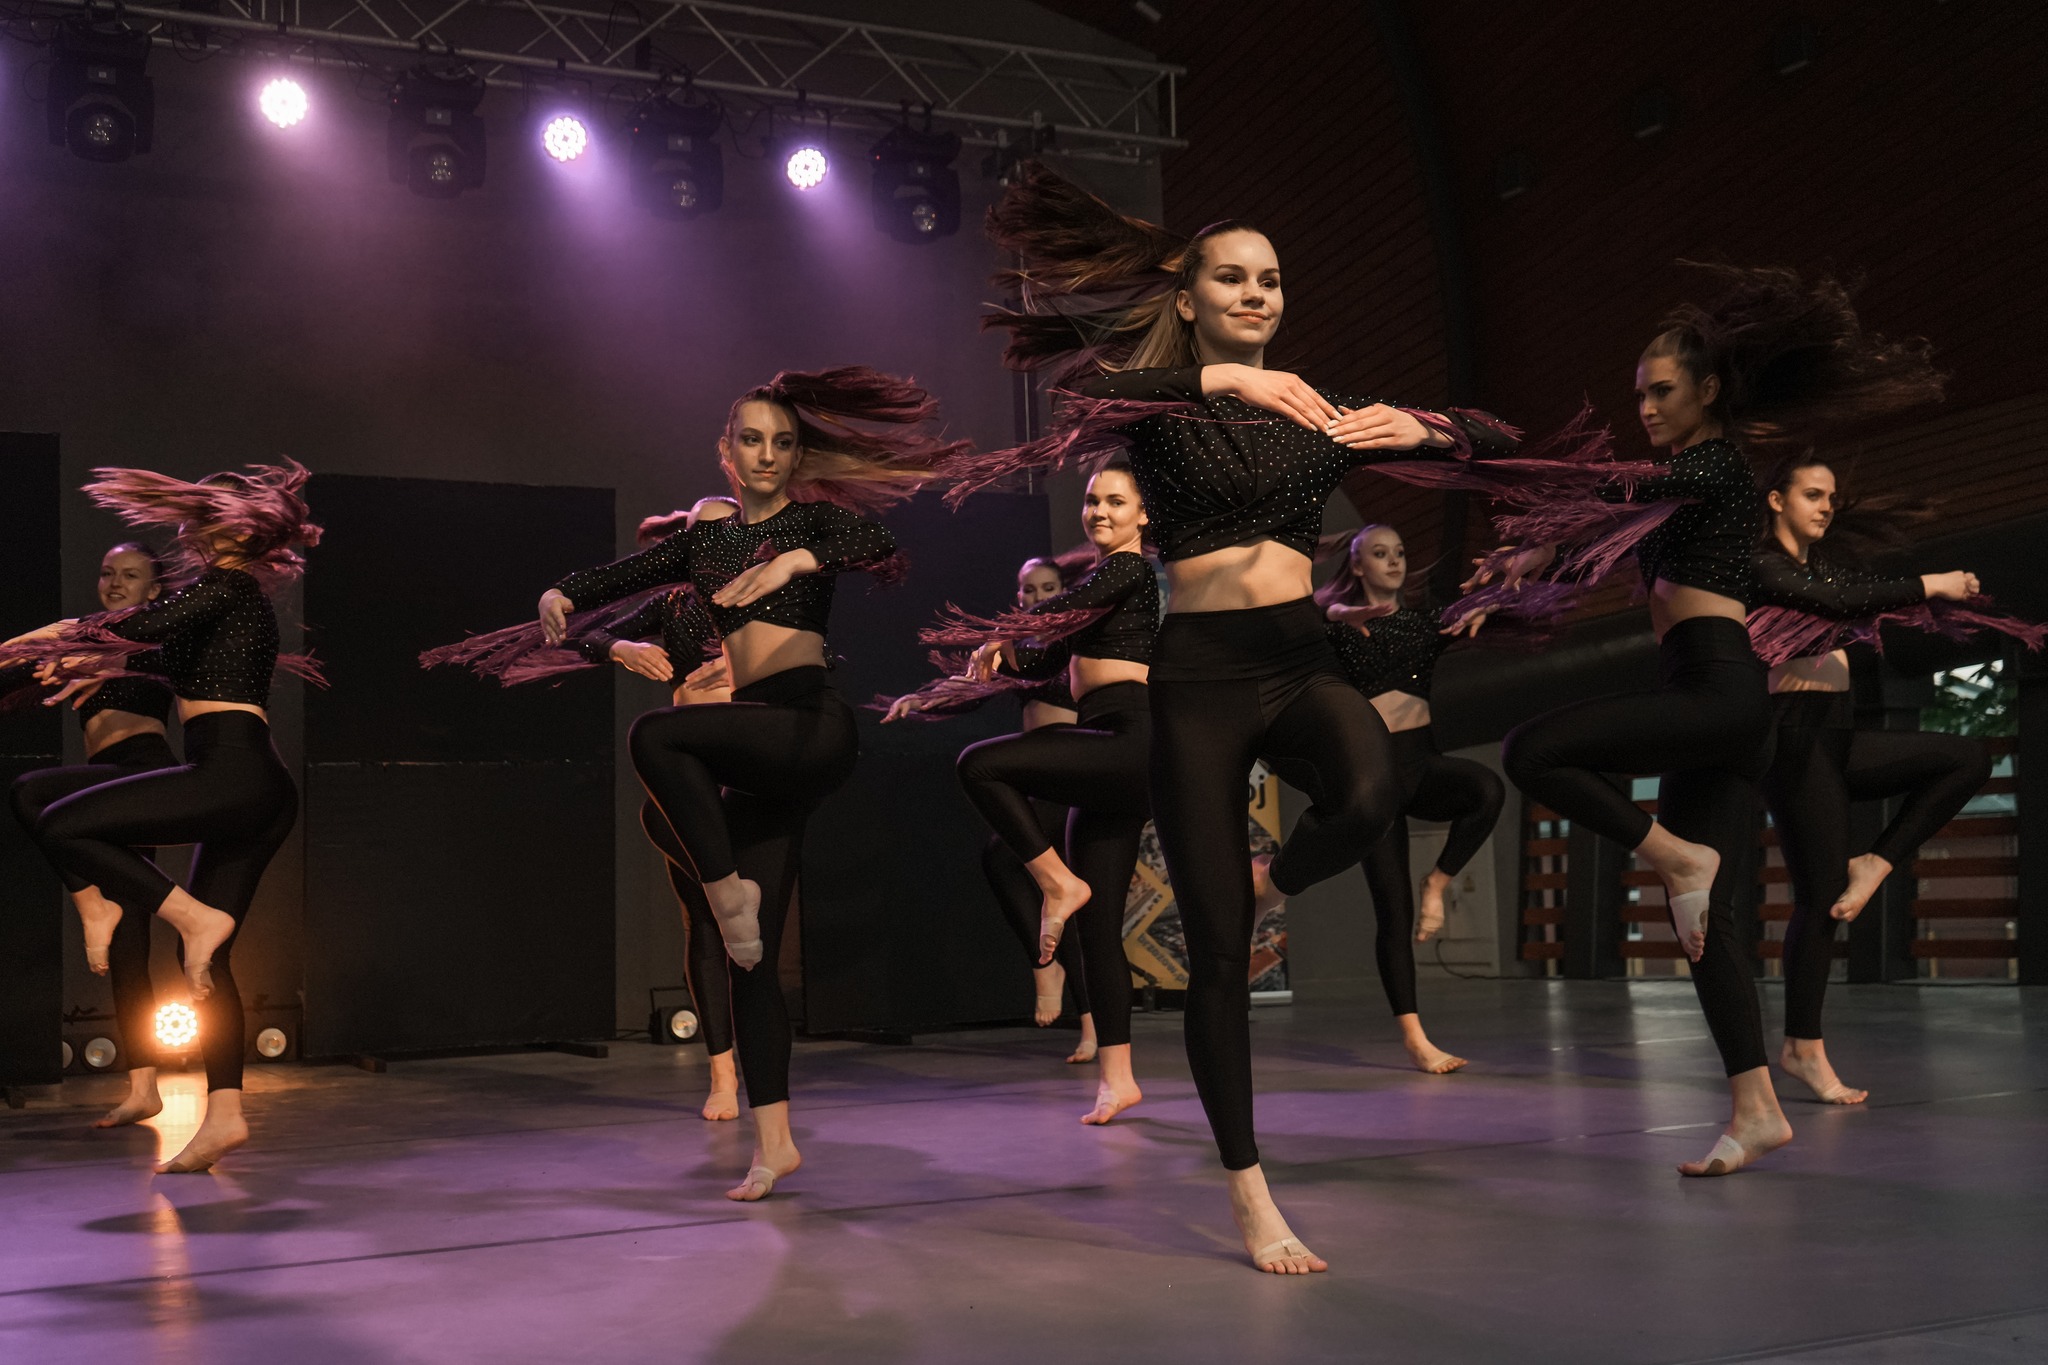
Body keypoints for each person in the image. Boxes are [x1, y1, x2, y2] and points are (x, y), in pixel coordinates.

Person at [948, 162, 1525, 1273]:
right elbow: (1088, 401)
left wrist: (1429, 426)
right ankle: (1249, 1190)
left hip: (1298, 660)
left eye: (1269, 280)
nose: (1256, 294)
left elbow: (1499, 436)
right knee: (1218, 959)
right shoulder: (1162, 408)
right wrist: (1221, 380)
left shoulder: (1319, 414)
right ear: (1190, 298)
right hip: (1199, 680)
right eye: (1232, 279)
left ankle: (1278, 878)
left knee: (1371, 791)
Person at [1482, 265, 1945, 1176]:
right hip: (1721, 702)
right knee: (1706, 920)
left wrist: (1540, 524)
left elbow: (1619, 494)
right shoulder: (1693, 491)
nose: (1647, 408)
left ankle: (1674, 854)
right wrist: (1528, 566)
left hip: (1718, 690)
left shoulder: (1715, 466)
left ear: (1708, 390)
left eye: (1662, 390)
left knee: (1531, 749)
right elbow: (1633, 533)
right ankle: (1756, 1107)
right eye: (1638, 395)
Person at [539, 367, 958, 1201]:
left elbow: (878, 544)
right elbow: (620, 577)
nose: (767, 454)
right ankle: (774, 1144)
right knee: (751, 958)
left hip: (811, 724)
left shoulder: (813, 520)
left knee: (655, 734)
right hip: (758, 742)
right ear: (726, 452)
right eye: (752, 440)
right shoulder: (703, 542)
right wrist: (561, 594)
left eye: (783, 442)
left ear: (797, 456)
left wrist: (796, 558)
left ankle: (725, 889)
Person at [2, 461, 322, 1172]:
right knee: (207, 961)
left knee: (62, 823)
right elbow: (150, 644)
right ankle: (225, 1116)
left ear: (233, 529)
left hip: (234, 774)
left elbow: (142, 624)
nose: (187, 530)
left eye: (200, 519)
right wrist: (87, 661)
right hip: (252, 784)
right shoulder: (220, 599)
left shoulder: (227, 586)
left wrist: (56, 634)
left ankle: (182, 915)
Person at [1750, 456, 2021, 1103]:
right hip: (1793, 743)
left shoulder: (1825, 568)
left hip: (1839, 738)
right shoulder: (1762, 566)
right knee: (1821, 898)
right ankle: (1802, 1047)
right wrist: (1933, 582)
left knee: (1965, 758)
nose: (1825, 506)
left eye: (1831, 497)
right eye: (1812, 494)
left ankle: (1876, 860)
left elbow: (1860, 595)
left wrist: (1941, 601)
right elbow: (1838, 603)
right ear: (1777, 500)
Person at [941, 463, 1158, 1124]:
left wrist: (1006, 627)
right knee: (1100, 929)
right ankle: (1118, 1078)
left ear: (1142, 515)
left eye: (1115, 501)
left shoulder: (1130, 570)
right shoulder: (1101, 587)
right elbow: (1042, 658)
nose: (1099, 511)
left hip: (1131, 736)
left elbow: (1062, 609)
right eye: (1092, 501)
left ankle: (1056, 884)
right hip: (1106, 743)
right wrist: (1003, 656)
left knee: (981, 766)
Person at [882, 553, 1100, 1058]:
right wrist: (924, 699)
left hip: (1072, 770)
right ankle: (1089, 1022)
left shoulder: (1073, 639)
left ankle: (1048, 971)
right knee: (1057, 897)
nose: (1037, 597)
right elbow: (975, 683)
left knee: (1010, 860)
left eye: (1047, 588)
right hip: (1036, 774)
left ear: (1064, 591)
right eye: (1028, 590)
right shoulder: (1022, 647)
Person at [1316, 524, 1504, 1073]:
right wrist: (1335, 614)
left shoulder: (1426, 623)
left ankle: (1437, 883)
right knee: (1392, 914)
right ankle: (1416, 1037)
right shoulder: (1338, 632)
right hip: (1372, 780)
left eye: (1399, 552)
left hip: (1421, 766)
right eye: (1380, 554)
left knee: (1487, 789)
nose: (1394, 562)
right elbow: (1294, 619)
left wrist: (1491, 602)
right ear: (1357, 566)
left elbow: (1496, 603)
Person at [7, 543, 178, 1129]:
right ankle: (145, 1088)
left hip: (141, 769)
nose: (115, 582)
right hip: (106, 774)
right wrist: (49, 647)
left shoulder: (157, 634)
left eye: (130, 575)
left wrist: (103, 661)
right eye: (107, 573)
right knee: (130, 940)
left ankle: (89, 907)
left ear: (154, 589)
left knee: (32, 795)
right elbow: (11, 654)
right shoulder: (81, 633)